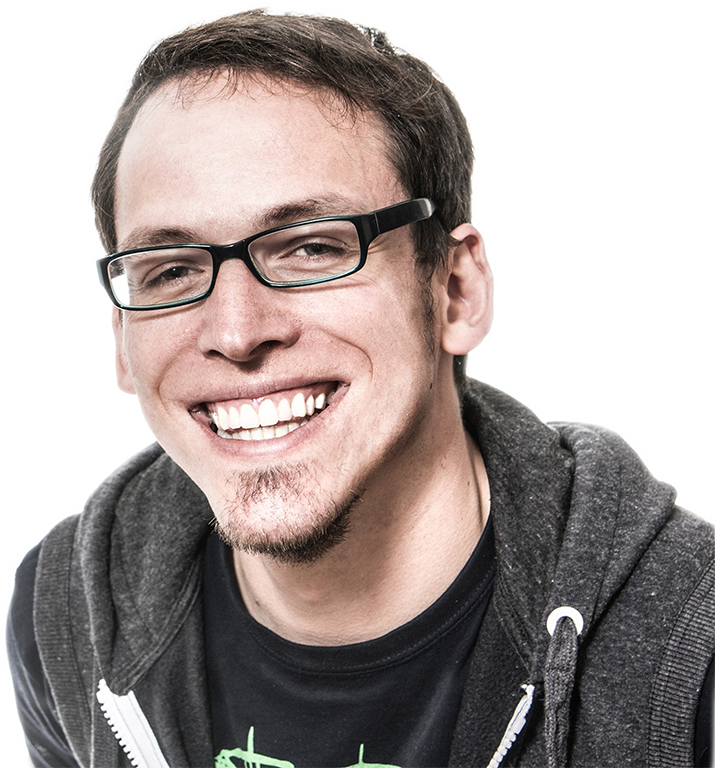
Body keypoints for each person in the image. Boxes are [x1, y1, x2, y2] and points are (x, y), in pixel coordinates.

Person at [6, 9, 715, 768]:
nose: (237, 332)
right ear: (121, 337)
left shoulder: (690, 649)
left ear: (455, 289)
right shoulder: (65, 616)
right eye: (171, 270)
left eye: (311, 248)